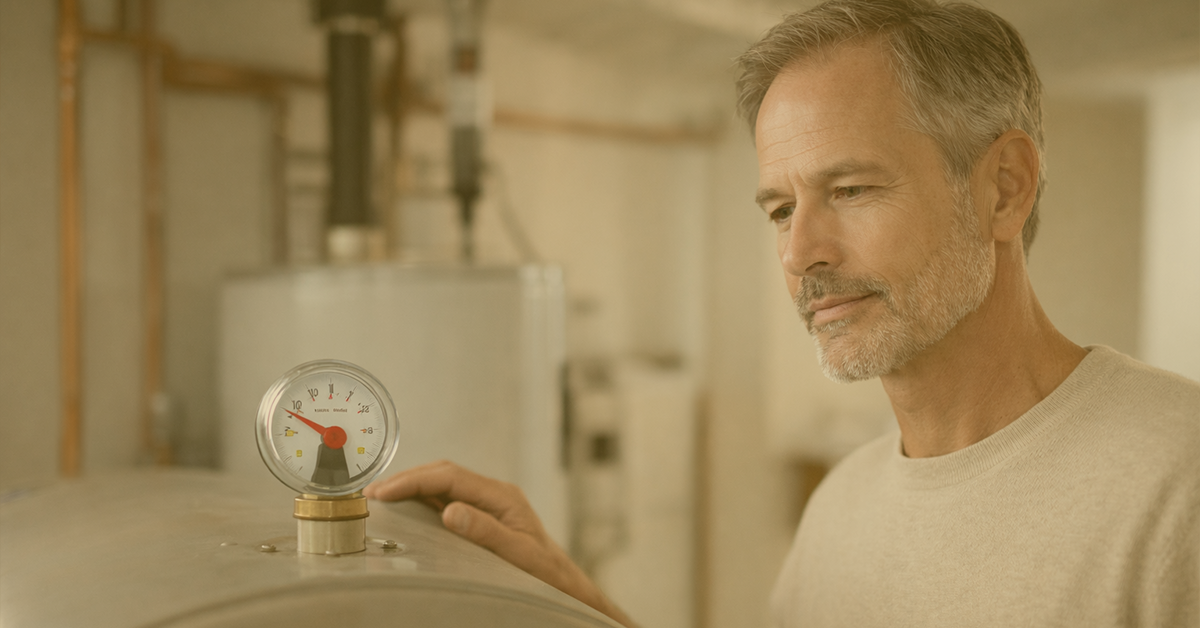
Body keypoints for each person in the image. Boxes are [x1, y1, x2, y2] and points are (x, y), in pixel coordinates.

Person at [365, 0, 1200, 625]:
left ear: (1004, 189)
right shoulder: (843, 505)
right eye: (778, 209)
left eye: (851, 189)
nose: (801, 254)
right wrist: (576, 602)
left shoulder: (1175, 482)